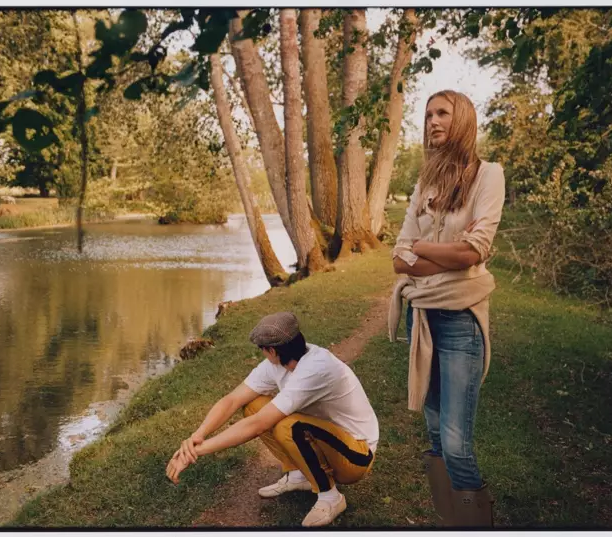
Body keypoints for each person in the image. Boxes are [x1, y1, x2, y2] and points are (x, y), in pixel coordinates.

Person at [388, 90, 505, 527]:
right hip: (422, 316)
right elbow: (398, 258)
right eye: (428, 114)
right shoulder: (425, 183)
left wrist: (421, 249)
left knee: (456, 444)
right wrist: (438, 252)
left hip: (460, 319)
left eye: (443, 113)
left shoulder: (488, 175)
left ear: (463, 121)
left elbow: (474, 252)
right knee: (436, 436)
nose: (433, 121)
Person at [165, 311, 379, 528]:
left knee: (288, 427)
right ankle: (299, 475)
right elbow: (232, 400)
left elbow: (258, 425)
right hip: (328, 438)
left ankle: (330, 497)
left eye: (263, 350)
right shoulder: (279, 363)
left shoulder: (315, 368)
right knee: (253, 405)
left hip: (356, 456)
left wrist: (196, 452)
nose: (263, 355)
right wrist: (196, 437)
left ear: (272, 350)